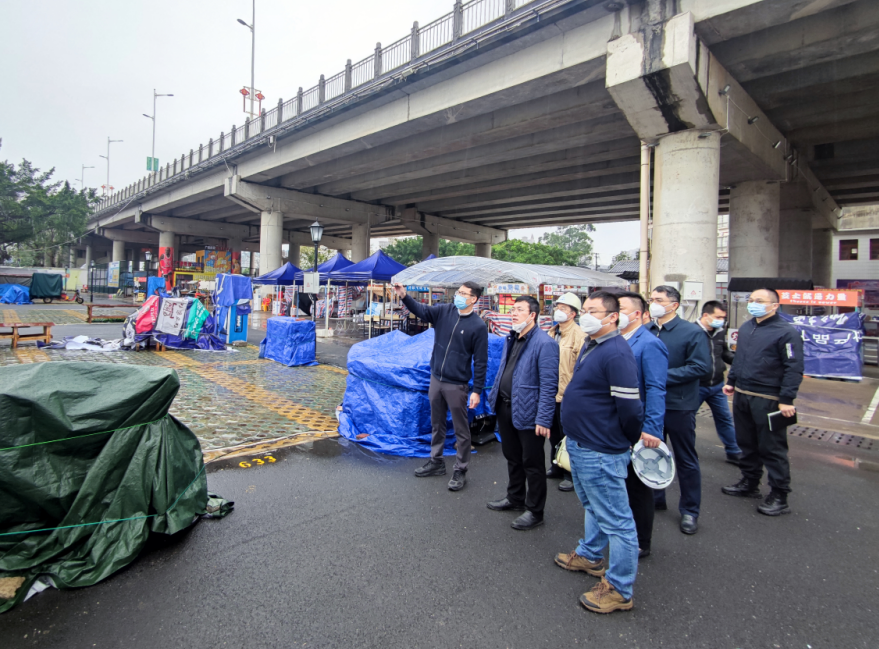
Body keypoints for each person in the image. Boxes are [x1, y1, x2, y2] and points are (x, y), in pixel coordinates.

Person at [554, 291, 643, 614]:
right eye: (585, 310)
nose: (585, 315)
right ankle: (590, 555)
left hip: (600, 449)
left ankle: (619, 588)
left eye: (594, 311)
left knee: (618, 522)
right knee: (593, 505)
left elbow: (630, 408)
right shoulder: (593, 344)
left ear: (612, 317)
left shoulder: (616, 353)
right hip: (582, 443)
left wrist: (625, 440)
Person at [394, 281, 489, 492]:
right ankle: (436, 461)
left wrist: (477, 390)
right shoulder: (445, 311)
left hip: (457, 384)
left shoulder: (478, 326)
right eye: (459, 292)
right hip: (436, 379)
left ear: (473, 299)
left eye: (463, 293)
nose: (458, 295)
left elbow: (481, 361)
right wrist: (404, 296)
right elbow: (422, 310)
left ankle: (461, 469)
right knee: (437, 423)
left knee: (461, 429)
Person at [722, 288, 804, 516]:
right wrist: (732, 381)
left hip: (768, 398)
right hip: (742, 394)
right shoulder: (747, 327)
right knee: (746, 442)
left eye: (759, 300)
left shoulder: (786, 332)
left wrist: (786, 399)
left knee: (772, 448)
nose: (753, 304)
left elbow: (794, 367)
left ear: (775, 305)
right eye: (751, 300)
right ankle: (749, 482)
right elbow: (739, 358)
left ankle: (779, 494)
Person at [486, 296, 559, 530]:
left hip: (530, 411)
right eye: (512, 310)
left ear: (532, 315)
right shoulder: (512, 338)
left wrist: (544, 418)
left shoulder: (545, 343)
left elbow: (549, 385)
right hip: (506, 406)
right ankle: (515, 497)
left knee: (532, 462)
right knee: (512, 456)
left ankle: (535, 510)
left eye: (519, 310)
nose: (513, 313)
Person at [646, 286, 711, 535]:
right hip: (651, 405)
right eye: (652, 299)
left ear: (674, 305)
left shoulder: (691, 332)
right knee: (652, 453)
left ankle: (690, 510)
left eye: (659, 300)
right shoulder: (647, 330)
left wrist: (660, 377)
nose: (653, 303)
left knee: (685, 458)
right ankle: (655, 497)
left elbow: (700, 367)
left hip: (679, 404)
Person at [617, 291, 668, 559]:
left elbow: (656, 388)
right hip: (615, 424)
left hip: (638, 425)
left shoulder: (649, 344)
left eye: (621, 308)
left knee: (638, 487)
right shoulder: (615, 339)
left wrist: (652, 428)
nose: (616, 313)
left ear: (637, 314)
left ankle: (641, 541)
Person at [546, 292, 587, 493]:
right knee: (553, 433)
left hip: (568, 395)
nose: (558, 311)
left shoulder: (580, 336)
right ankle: (556, 465)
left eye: (563, 308)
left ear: (573, 314)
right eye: (557, 307)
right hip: (550, 393)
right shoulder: (551, 332)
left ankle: (570, 473)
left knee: (569, 435)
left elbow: (582, 368)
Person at [696, 301, 743, 464]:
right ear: (705, 315)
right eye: (718, 317)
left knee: (724, 418)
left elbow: (724, 354)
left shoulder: (720, 332)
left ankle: (734, 451)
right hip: (696, 386)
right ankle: (685, 452)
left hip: (716, 385)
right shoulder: (691, 332)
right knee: (687, 420)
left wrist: (740, 360)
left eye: (723, 318)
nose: (721, 321)